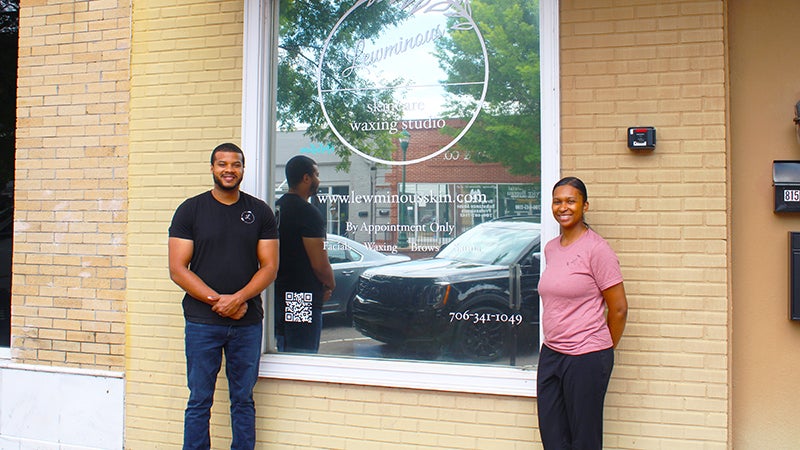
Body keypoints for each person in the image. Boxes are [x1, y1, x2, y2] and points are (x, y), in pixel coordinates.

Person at [168, 143, 278, 450]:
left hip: (247, 323)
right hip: (203, 323)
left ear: (243, 169)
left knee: (242, 400)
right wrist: (220, 302)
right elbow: (178, 269)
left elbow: (270, 267)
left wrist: (239, 298)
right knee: (199, 400)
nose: (229, 170)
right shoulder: (191, 210)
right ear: (212, 168)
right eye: (222, 164)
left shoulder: (259, 212)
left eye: (236, 164)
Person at [536, 176, 628, 449]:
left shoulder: (597, 250)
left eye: (571, 201)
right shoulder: (551, 248)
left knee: (584, 440)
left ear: (584, 205)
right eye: (557, 201)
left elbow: (619, 308)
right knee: (553, 437)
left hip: (586, 357)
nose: (563, 207)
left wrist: (602, 350)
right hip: (552, 353)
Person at [274, 155, 335, 353]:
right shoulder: (308, 212)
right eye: (316, 174)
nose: (319, 179)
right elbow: (319, 261)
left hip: (277, 293)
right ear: (306, 178)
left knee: (283, 349)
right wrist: (330, 283)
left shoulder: (277, 208)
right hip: (300, 295)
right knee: (301, 354)